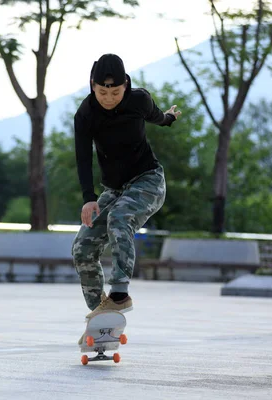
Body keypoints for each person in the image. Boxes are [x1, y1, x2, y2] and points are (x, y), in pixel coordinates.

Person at [71, 53, 181, 331]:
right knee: (82, 247)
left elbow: (157, 116)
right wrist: (89, 198)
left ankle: (119, 293)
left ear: (126, 86)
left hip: (148, 181)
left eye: (115, 92)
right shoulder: (85, 114)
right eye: (102, 92)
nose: (108, 99)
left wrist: (169, 118)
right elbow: (83, 157)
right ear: (92, 86)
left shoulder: (138, 100)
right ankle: (101, 312)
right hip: (115, 189)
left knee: (119, 218)